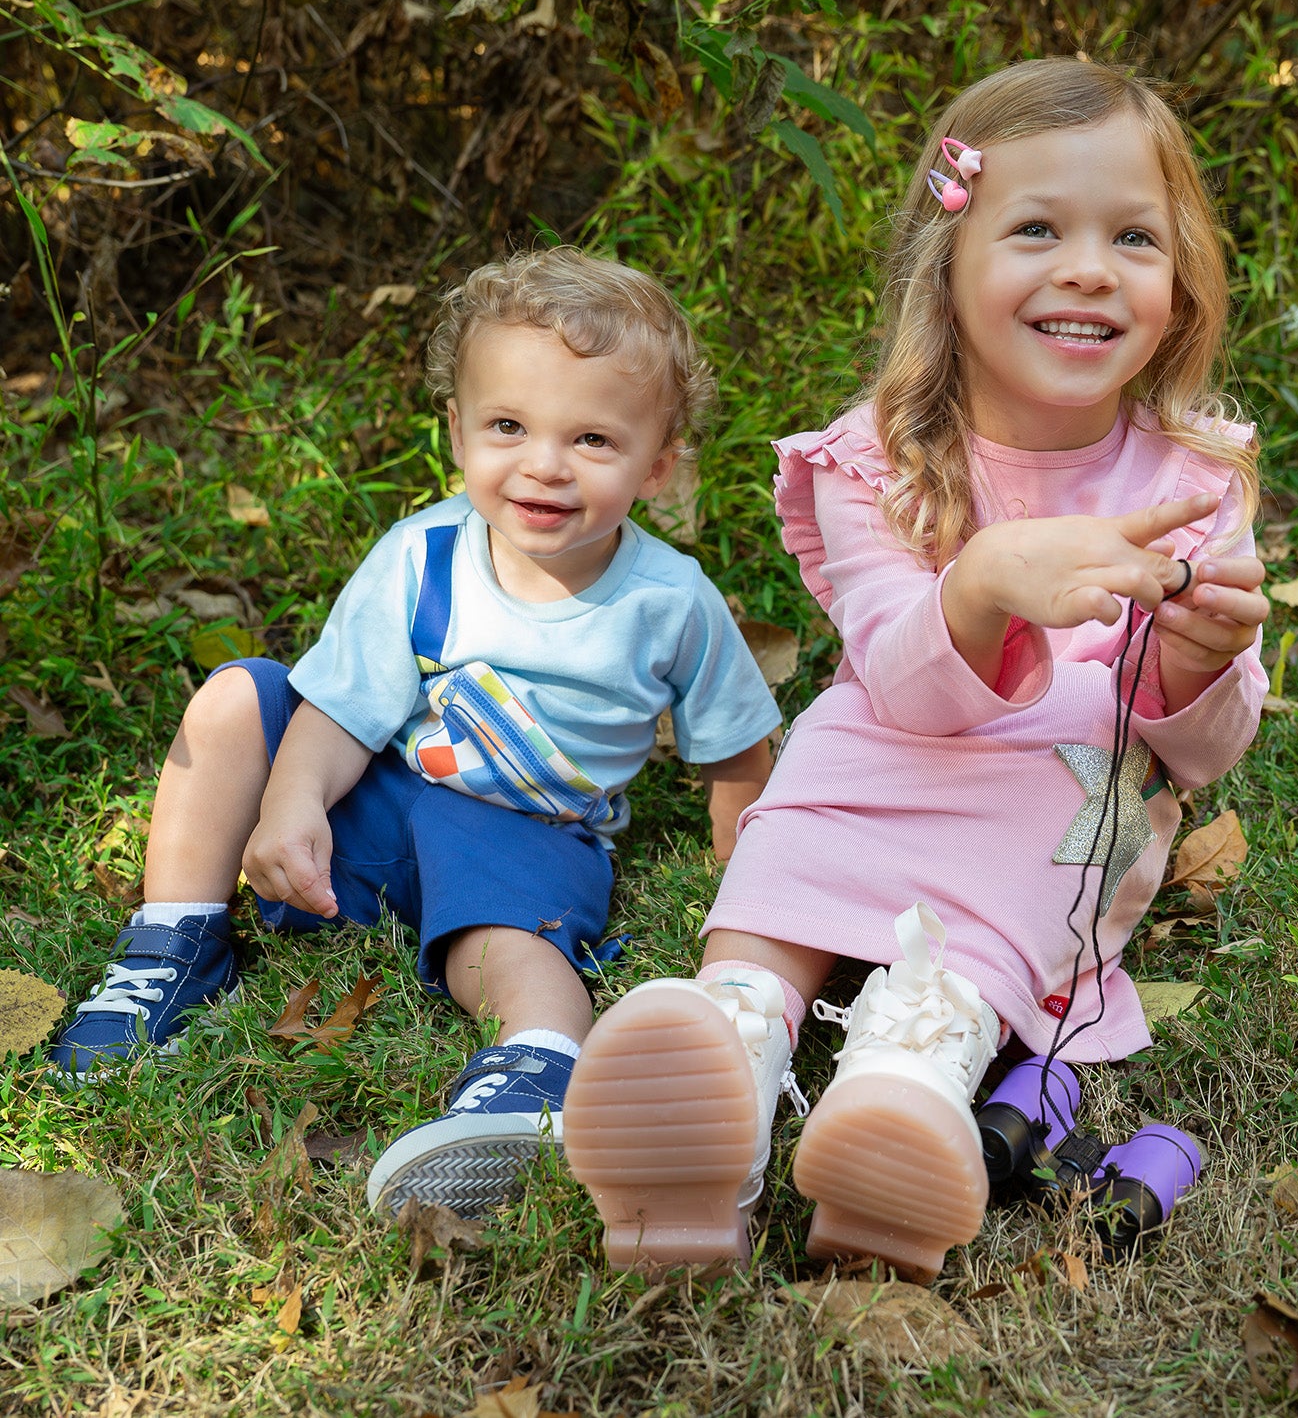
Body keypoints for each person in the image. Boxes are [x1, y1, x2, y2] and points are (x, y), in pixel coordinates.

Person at [563, 58, 1270, 1282]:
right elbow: (900, 678)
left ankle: (912, 1075)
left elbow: (1199, 754)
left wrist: (1202, 667)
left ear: (1181, 281)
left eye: (1134, 238)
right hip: (884, 750)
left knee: (1030, 841)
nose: (1088, 267)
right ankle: (728, 1057)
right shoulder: (878, 461)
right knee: (798, 823)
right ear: (948, 262)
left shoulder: (1196, 481)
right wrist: (989, 580)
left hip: (1058, 780)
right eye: (1037, 228)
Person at [49, 247, 781, 1221]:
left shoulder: (668, 603)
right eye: (508, 426)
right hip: (379, 798)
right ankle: (174, 944)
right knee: (238, 696)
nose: (544, 465)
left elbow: (734, 749)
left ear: (659, 463)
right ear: (458, 430)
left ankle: (533, 1067)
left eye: (593, 440)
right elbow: (345, 708)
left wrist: (747, 881)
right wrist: (293, 799)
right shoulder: (421, 557)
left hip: (523, 832)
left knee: (514, 948)